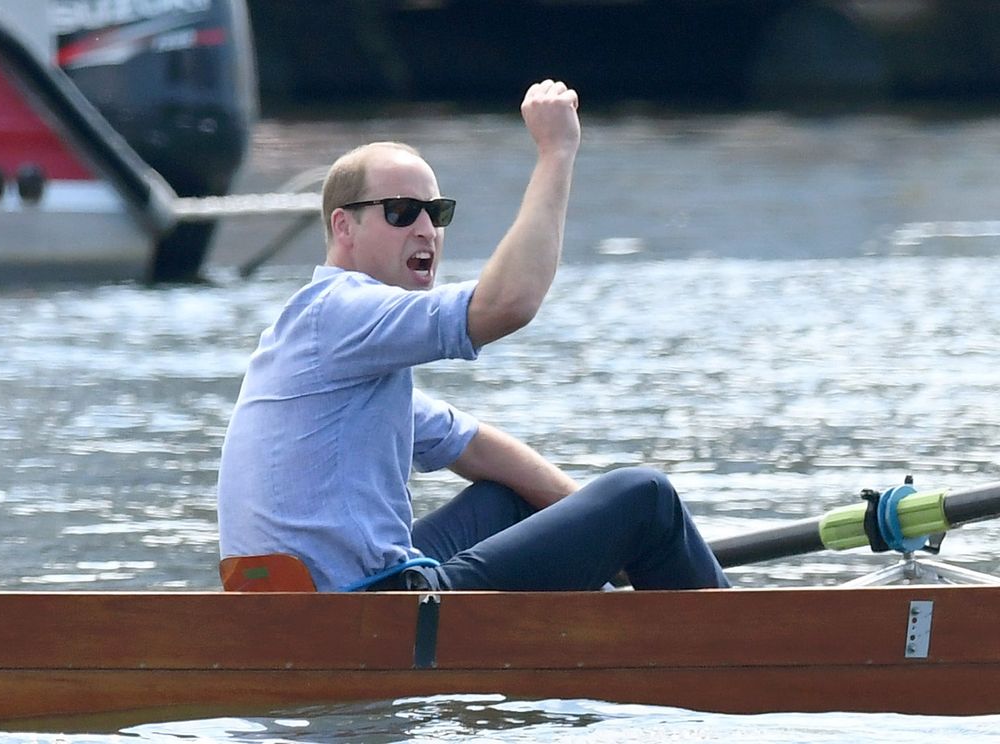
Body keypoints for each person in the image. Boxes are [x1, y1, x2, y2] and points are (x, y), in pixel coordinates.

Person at [217, 79, 729, 592]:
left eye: (436, 213)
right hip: (365, 616)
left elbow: (475, 447)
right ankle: (750, 655)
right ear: (343, 227)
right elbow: (507, 302)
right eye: (401, 212)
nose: (426, 230)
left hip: (322, 608)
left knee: (511, 499)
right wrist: (556, 152)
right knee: (646, 496)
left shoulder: (335, 354)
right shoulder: (340, 311)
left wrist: (612, 546)